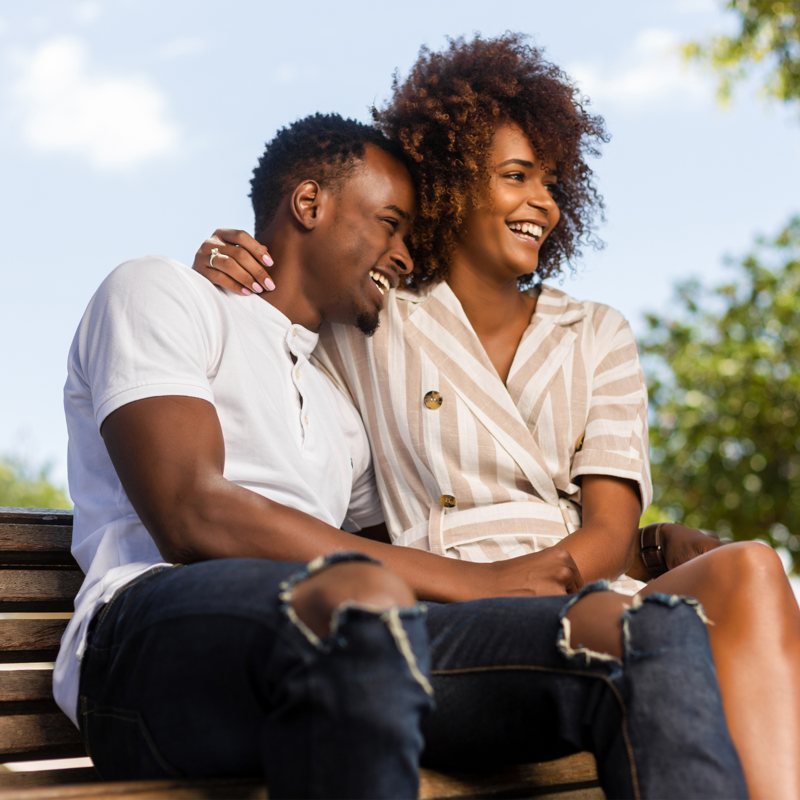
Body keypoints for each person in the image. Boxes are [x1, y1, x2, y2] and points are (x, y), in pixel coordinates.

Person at [193, 35, 800, 800]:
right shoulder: (376, 315)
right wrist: (231, 259)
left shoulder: (597, 332)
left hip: (581, 586)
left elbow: (611, 531)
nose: (542, 203)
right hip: (450, 605)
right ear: (449, 182)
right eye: (516, 177)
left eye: (553, 182)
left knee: (752, 565)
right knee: (646, 638)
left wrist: (563, 574)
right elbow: (290, 292)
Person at [57, 115, 438, 800]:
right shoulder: (161, 289)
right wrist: (485, 582)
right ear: (310, 204)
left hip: (328, 644)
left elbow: (399, 542)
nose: (405, 256)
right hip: (142, 640)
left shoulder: (337, 406)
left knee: (627, 635)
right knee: (358, 602)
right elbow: (190, 513)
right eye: (391, 224)